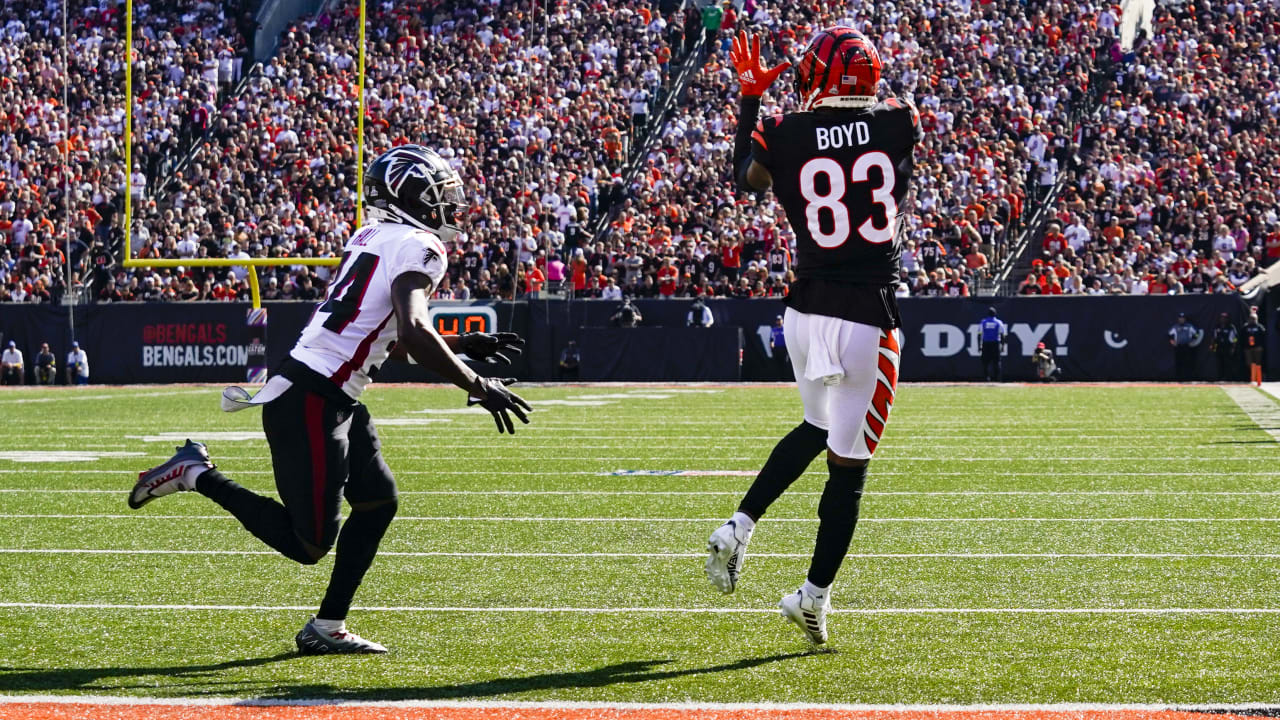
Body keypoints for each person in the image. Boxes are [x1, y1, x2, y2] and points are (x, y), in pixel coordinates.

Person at [127, 145, 531, 654]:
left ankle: (326, 627)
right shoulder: (422, 245)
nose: (452, 204)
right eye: (441, 194)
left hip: (326, 391)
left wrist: (459, 346)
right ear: (412, 196)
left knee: (378, 501)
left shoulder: (374, 235)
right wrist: (477, 382)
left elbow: (384, 337)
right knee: (309, 542)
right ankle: (195, 474)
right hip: (313, 397)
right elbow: (412, 328)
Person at [705, 29, 917, 646]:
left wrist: (750, 98)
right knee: (848, 472)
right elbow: (880, 108)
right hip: (868, 317)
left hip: (805, 311)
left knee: (813, 426)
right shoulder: (900, 120)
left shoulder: (786, 129)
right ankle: (813, 598)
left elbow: (745, 178)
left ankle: (740, 525)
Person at [1168, 311, 1203, 381]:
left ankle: (1188, 378)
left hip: (1187, 347)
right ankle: (1178, 378)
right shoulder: (1175, 327)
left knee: (1187, 362)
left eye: (1183, 318)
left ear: (1185, 319)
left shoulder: (1189, 326)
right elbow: (1169, 335)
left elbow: (1197, 333)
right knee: (1178, 362)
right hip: (1178, 347)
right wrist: (1172, 341)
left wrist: (1192, 340)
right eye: (1180, 318)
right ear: (1178, 319)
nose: (1181, 319)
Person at [1209, 313, 1238, 382]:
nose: (1223, 319)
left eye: (1224, 318)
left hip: (1227, 347)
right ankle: (1220, 377)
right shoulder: (1217, 326)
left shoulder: (1231, 327)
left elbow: (1235, 338)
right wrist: (1212, 346)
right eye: (1222, 318)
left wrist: (1233, 347)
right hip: (1219, 347)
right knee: (1219, 363)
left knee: (1227, 363)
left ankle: (1228, 378)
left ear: (1227, 319)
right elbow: (1214, 337)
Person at [980, 307, 1006, 382]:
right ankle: (997, 378)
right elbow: (1002, 335)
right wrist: (1003, 346)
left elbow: (979, 334)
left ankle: (986, 378)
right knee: (997, 361)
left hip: (986, 343)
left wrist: (979, 345)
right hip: (995, 343)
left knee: (985, 362)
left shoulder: (983, 322)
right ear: (995, 314)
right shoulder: (998, 322)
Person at [1243, 308, 1266, 387]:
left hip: (1257, 347)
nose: (1252, 320)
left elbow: (1263, 336)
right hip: (1248, 348)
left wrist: (1261, 345)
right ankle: (1252, 377)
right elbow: (1242, 336)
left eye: (1254, 319)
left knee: (1258, 363)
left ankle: (1258, 378)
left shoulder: (1260, 327)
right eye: (1251, 318)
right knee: (1249, 363)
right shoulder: (1245, 327)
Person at [769, 314, 790, 379]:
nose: (779, 321)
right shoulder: (774, 330)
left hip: (784, 349)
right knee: (777, 364)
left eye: (780, 320)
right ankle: (778, 378)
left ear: (782, 320)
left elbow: (789, 338)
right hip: (777, 349)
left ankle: (785, 378)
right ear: (776, 321)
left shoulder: (786, 329)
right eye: (778, 320)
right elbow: (771, 339)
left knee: (785, 364)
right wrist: (772, 344)